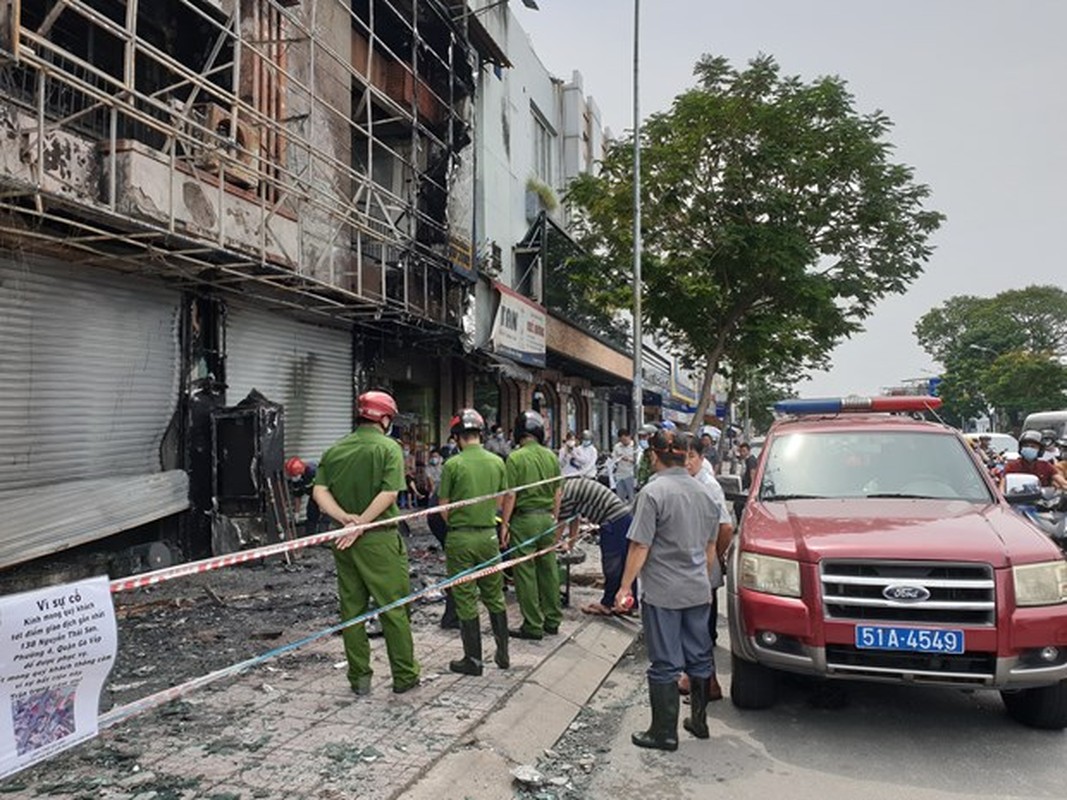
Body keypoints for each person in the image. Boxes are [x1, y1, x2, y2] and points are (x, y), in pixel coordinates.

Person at [615, 429, 721, 751]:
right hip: (697, 589)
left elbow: (639, 546)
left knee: (664, 662)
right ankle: (699, 723)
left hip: (663, 592)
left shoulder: (653, 492)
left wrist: (623, 588)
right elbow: (710, 549)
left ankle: (664, 733)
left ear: (654, 456)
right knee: (699, 656)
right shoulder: (706, 494)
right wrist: (701, 580)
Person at [312, 390, 420, 696]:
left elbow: (320, 493)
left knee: (352, 610)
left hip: (343, 541)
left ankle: (359, 678)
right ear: (384, 418)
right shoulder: (389, 448)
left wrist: (345, 520)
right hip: (380, 541)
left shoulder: (335, 450)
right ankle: (404, 676)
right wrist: (362, 524)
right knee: (394, 609)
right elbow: (389, 494)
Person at [437, 409, 510, 676]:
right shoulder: (497, 462)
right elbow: (503, 499)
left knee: (465, 596)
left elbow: (443, 507)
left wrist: (458, 524)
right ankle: (503, 653)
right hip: (489, 534)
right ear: (480, 434)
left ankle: (473, 660)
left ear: (457, 437)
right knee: (494, 593)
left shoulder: (452, 465)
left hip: (460, 536)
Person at [501, 410, 564, 640]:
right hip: (547, 518)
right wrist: (554, 518)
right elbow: (558, 493)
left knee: (525, 573)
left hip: (525, 520)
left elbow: (510, 495)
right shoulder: (551, 456)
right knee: (549, 570)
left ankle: (533, 624)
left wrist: (505, 524)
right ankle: (552, 620)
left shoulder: (515, 458)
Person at [681, 434, 735, 701]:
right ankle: (697, 679)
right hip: (694, 564)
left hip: (704, 563)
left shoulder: (708, 486)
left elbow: (725, 528)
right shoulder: (688, 482)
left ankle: (706, 687)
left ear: (702, 458)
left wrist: (715, 557)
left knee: (699, 627)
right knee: (697, 628)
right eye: (683, 456)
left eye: (692, 456)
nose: (687, 462)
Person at [557, 476, 634, 617]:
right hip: (623, 518)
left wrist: (550, 546)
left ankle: (608, 605)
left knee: (613, 565)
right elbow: (574, 518)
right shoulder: (572, 487)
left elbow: (560, 523)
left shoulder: (566, 495)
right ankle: (628, 604)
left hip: (614, 521)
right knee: (625, 562)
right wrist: (570, 543)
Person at [284, 456, 324, 533]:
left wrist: (322, 505)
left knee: (325, 518)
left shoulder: (313, 471)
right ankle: (310, 538)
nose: (295, 477)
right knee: (311, 514)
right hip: (313, 496)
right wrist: (297, 513)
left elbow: (322, 487)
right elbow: (297, 495)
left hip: (324, 494)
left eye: (296, 475)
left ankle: (325, 539)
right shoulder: (296, 479)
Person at [612, 429, 636, 502]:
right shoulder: (617, 447)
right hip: (619, 474)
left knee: (631, 496)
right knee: (620, 497)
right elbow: (613, 458)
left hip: (630, 474)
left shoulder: (634, 446)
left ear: (629, 437)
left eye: (625, 440)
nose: (624, 442)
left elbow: (637, 461)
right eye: (622, 440)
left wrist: (628, 459)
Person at [635, 423, 658, 488]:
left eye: (644, 437)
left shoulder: (657, 453)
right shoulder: (645, 453)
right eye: (640, 437)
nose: (641, 439)